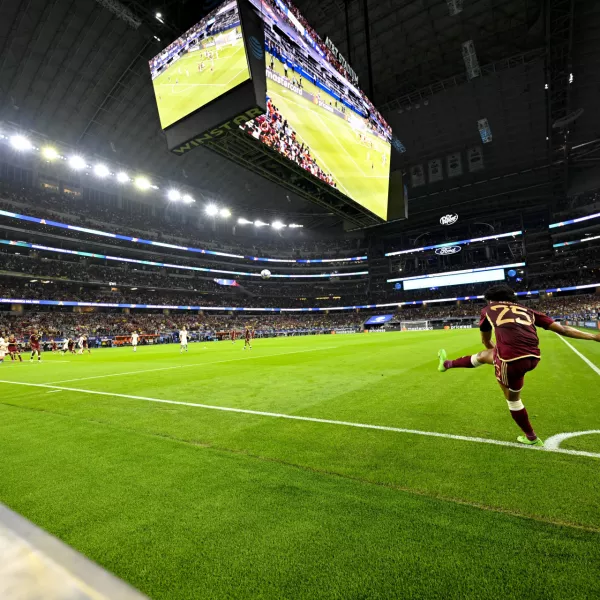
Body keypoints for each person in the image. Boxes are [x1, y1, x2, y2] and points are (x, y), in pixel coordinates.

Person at [438, 284, 600, 446]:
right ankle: (446, 364)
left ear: (491, 300)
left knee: (512, 399)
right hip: (533, 357)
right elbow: (563, 329)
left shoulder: (489, 310)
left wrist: (499, 356)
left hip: (510, 361)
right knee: (482, 356)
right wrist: (593, 337)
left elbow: (485, 340)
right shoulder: (527, 310)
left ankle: (531, 437)